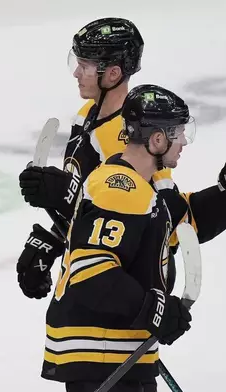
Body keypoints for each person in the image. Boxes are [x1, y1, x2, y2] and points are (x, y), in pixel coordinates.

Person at [16, 17, 226, 301]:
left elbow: (164, 220)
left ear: (113, 74)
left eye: (85, 65)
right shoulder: (86, 115)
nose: (77, 72)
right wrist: (53, 238)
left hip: (121, 292)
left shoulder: (128, 138)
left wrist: (63, 196)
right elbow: (92, 202)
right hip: (84, 279)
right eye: (76, 62)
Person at [42, 84, 195, 392]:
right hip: (100, 353)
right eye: (177, 134)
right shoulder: (120, 186)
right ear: (157, 140)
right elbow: (92, 273)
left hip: (115, 353)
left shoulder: (134, 187)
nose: (183, 143)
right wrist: (157, 311)